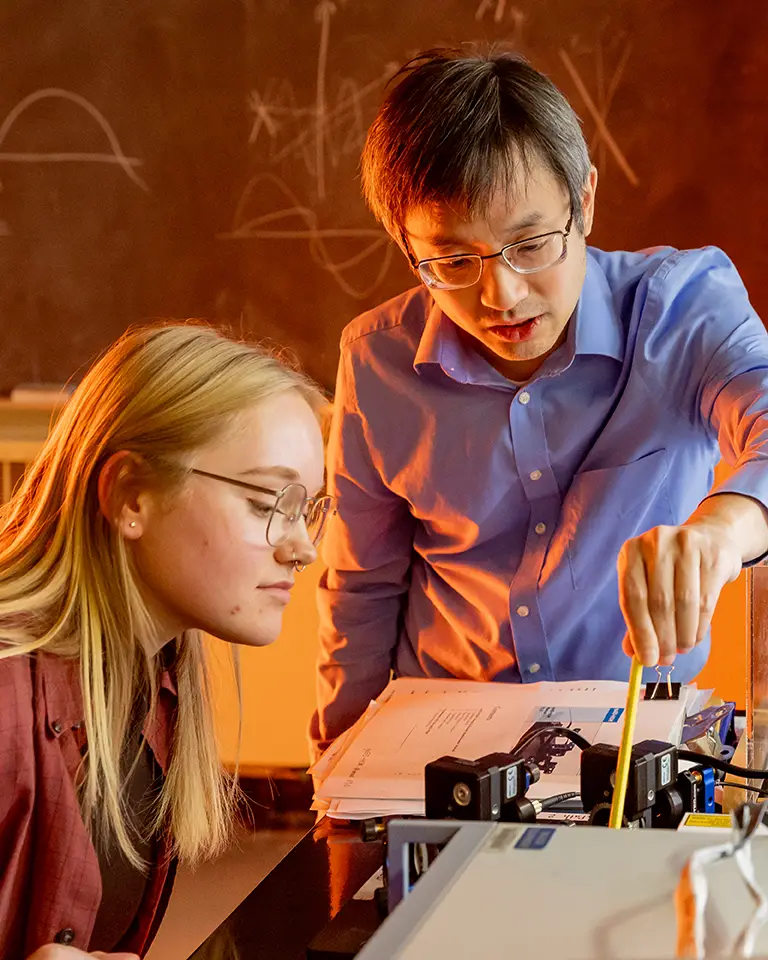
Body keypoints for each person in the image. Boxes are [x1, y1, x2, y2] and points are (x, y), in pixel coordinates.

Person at [310, 46, 768, 758]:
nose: (503, 296)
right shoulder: (376, 363)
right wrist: (340, 770)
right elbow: (362, 590)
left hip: (632, 751)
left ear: (583, 200)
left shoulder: (684, 309)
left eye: (530, 244)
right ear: (407, 246)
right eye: (455, 262)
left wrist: (720, 532)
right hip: (443, 748)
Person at [0, 323, 330, 959]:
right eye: (269, 501)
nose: (303, 548)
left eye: (309, 508)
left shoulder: (161, 684)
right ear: (130, 495)